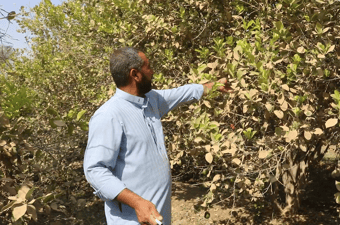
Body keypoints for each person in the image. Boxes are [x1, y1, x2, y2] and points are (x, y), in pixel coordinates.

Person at [83, 47, 232, 225]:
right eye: (148, 66)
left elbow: (183, 93)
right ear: (135, 74)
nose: (152, 71)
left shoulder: (151, 100)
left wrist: (214, 86)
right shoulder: (109, 115)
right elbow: (95, 171)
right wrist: (138, 204)